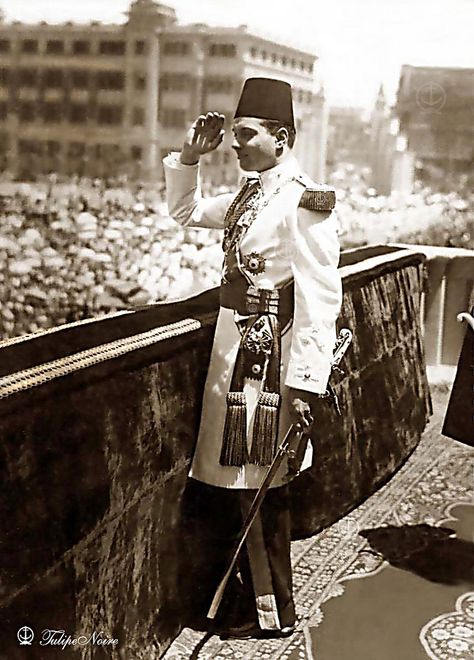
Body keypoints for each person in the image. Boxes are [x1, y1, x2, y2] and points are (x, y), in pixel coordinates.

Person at [163, 78, 342, 639]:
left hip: (270, 360)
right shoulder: (249, 194)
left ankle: (272, 611)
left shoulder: (303, 201)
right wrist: (190, 157)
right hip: (233, 352)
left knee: (259, 482)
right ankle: (248, 601)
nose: (235, 146)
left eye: (245, 135)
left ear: (281, 137)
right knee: (238, 480)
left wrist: (305, 383)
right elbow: (185, 211)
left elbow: (320, 298)